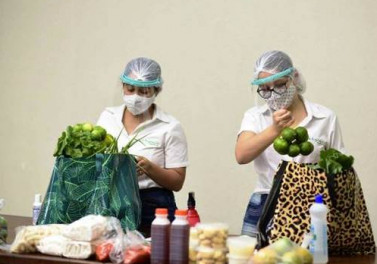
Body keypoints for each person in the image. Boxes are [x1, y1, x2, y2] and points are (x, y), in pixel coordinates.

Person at [235, 50, 345, 237]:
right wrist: (274, 129)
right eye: (265, 89)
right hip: (266, 202)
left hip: (311, 205)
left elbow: (339, 169)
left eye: (280, 85)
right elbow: (242, 155)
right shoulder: (255, 117)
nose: (274, 94)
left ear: (294, 78)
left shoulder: (325, 117)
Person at [97, 57, 189, 236]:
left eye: (144, 91)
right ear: (123, 86)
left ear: (156, 90)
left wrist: (149, 167)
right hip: (111, 202)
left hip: (153, 207)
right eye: (130, 89)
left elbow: (177, 181)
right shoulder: (107, 117)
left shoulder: (169, 126)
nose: (135, 97)